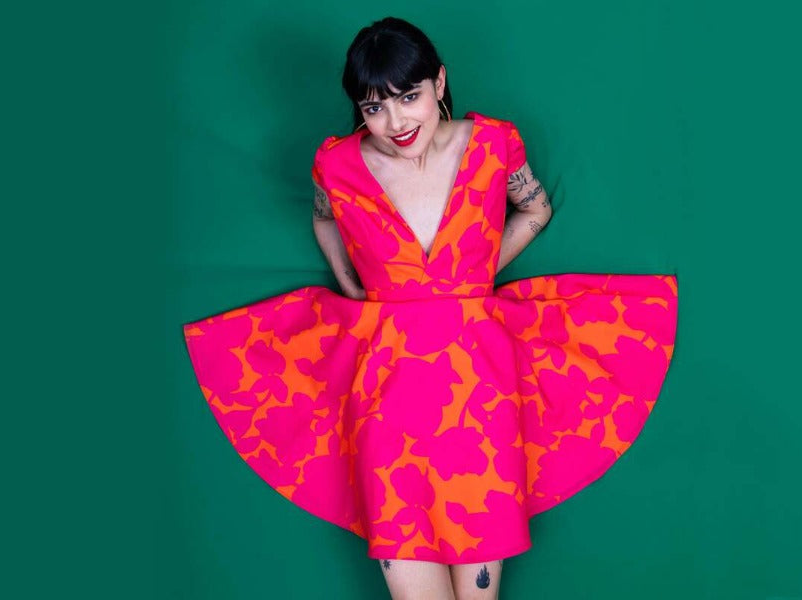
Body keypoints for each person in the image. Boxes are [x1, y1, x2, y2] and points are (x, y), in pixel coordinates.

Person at [183, 16, 679, 600]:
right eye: (374, 107)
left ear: (439, 83)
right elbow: (324, 219)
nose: (395, 122)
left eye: (408, 97)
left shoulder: (494, 144)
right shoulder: (337, 165)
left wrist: (470, 277)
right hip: (387, 398)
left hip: (482, 394)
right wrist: (351, 285)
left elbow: (536, 208)